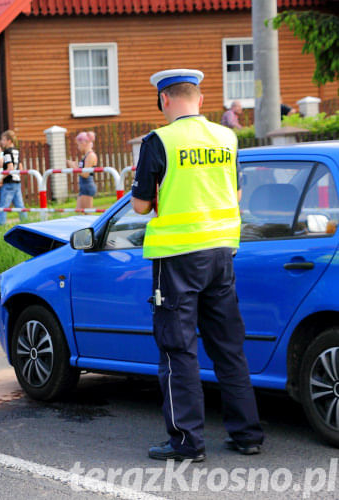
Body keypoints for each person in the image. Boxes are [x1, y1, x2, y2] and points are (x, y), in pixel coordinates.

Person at [131, 69, 263, 462]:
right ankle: (247, 435)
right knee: (229, 347)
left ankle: (187, 443)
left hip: (177, 259)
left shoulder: (159, 141)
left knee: (178, 349)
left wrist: (157, 197)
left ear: (164, 101)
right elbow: (235, 192)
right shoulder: (227, 137)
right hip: (222, 254)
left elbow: (139, 205)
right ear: (200, 100)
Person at [0, 130, 27, 225]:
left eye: (3, 140)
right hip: (17, 181)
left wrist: (1, 178)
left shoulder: (7, 152)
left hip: (9, 182)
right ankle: (26, 223)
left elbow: (10, 168)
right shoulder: (16, 151)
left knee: (3, 207)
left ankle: (2, 226)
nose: (1, 142)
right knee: (20, 206)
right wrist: (18, 175)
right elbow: (21, 167)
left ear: (9, 141)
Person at [67, 131, 98, 210]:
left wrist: (74, 167)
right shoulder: (86, 155)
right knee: (79, 211)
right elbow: (83, 169)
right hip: (84, 186)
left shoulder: (90, 155)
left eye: (78, 144)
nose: (78, 147)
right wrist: (76, 165)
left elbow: (86, 174)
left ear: (84, 143)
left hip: (87, 186)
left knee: (87, 214)